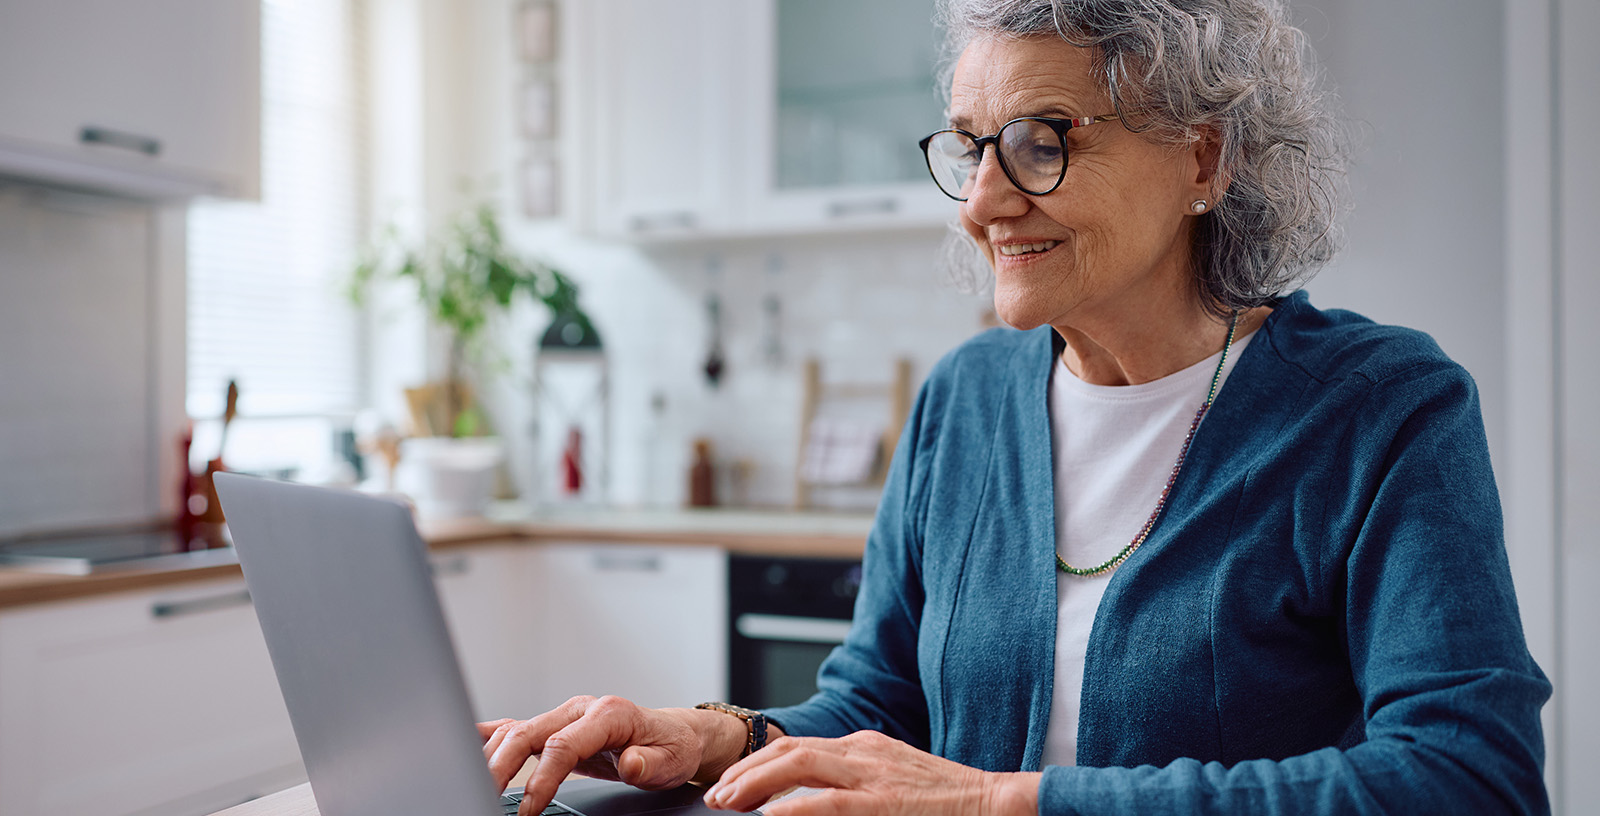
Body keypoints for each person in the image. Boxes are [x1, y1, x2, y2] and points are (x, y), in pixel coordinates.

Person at [479, 0, 1551, 813]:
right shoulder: (964, 400)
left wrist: (1002, 801)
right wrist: (713, 735)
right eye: (969, 145)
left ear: (1203, 158)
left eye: (1043, 141)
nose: (985, 203)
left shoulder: (1379, 411)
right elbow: (877, 708)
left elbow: (1466, 775)